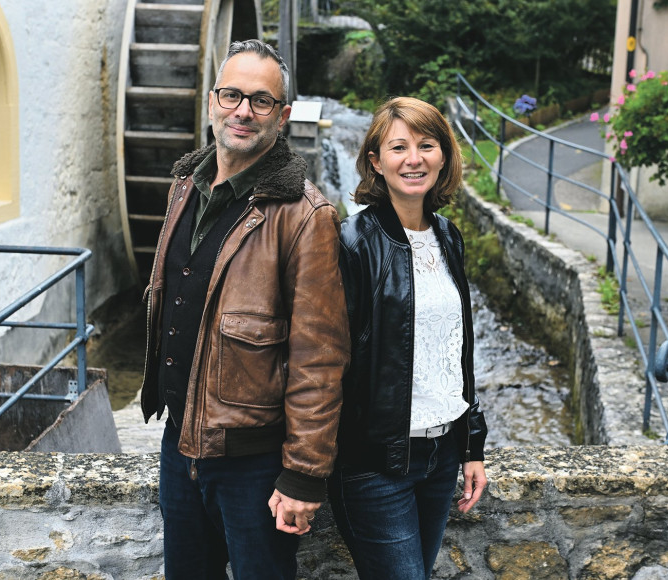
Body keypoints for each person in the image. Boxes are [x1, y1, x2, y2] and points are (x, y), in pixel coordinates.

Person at [138, 39, 349, 580]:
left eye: (260, 100)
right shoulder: (184, 186)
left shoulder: (305, 216)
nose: (242, 111)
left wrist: (303, 476)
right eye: (231, 95)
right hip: (180, 444)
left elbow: (319, 359)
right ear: (212, 101)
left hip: (256, 464)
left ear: (282, 115)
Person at [329, 96, 489, 580]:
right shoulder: (351, 242)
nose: (414, 158)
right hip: (375, 463)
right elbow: (324, 361)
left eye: (427, 144)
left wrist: (472, 445)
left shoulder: (448, 236)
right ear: (376, 161)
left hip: (441, 461)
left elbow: (455, 350)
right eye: (399, 147)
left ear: (444, 156)